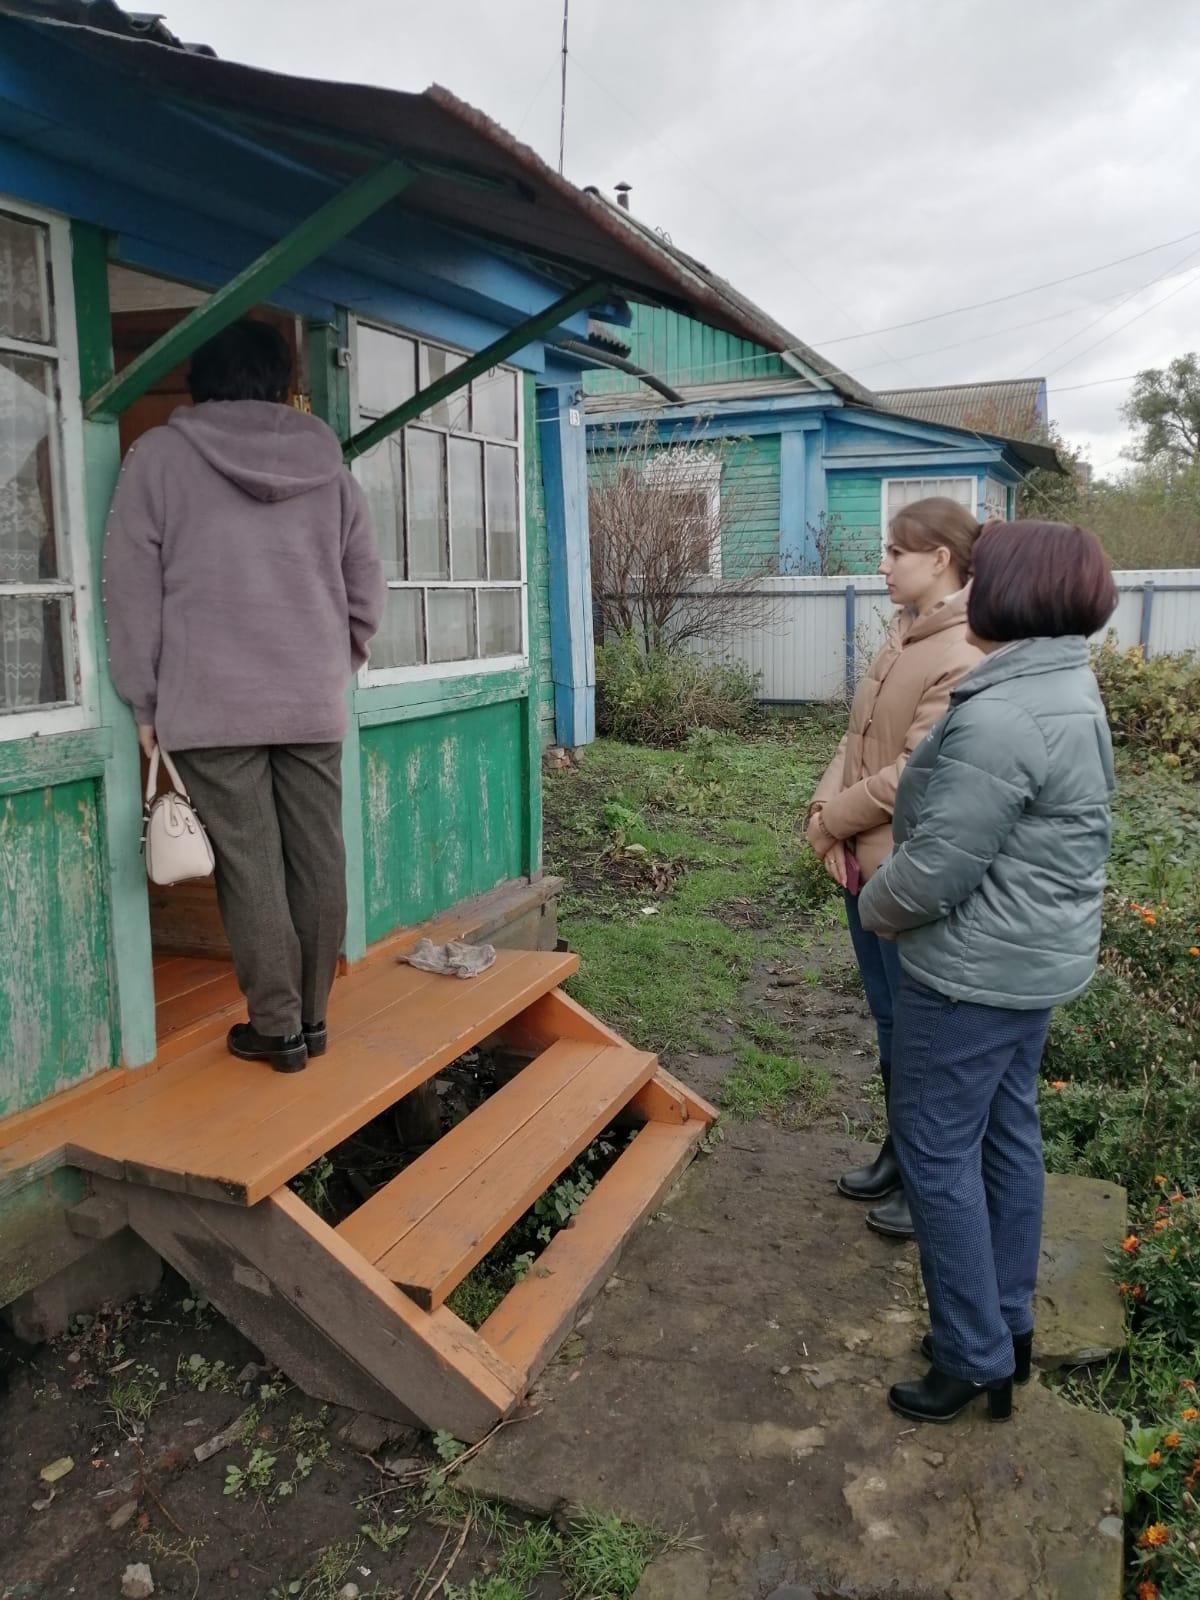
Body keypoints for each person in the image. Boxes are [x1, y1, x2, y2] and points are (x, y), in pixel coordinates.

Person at [858, 520, 1117, 1423]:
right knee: (1007, 1137)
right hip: (1028, 963)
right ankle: (1006, 1329)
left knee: (934, 1150)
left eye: (985, 576)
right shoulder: (1063, 685)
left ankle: (971, 1354)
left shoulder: (1004, 712)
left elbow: (937, 867)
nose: (973, 589)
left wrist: (874, 904)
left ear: (1014, 593)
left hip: (969, 973)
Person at [103, 319, 385, 1073]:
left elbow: (131, 595)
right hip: (311, 700)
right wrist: (334, 662)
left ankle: (277, 1029)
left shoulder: (158, 459)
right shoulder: (329, 465)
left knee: (251, 867)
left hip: (208, 705)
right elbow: (367, 592)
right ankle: (315, 1020)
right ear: (282, 381)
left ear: (201, 377)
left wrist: (143, 703)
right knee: (319, 855)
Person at [807, 497, 982, 1239]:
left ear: (940, 558)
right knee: (888, 1020)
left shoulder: (963, 650)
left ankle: (926, 1172)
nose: (881, 565)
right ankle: (898, 1152)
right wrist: (823, 815)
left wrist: (835, 817)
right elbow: (855, 740)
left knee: (918, 1030)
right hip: (861, 866)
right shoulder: (906, 636)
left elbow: (916, 772)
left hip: (902, 875)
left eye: (894, 553)